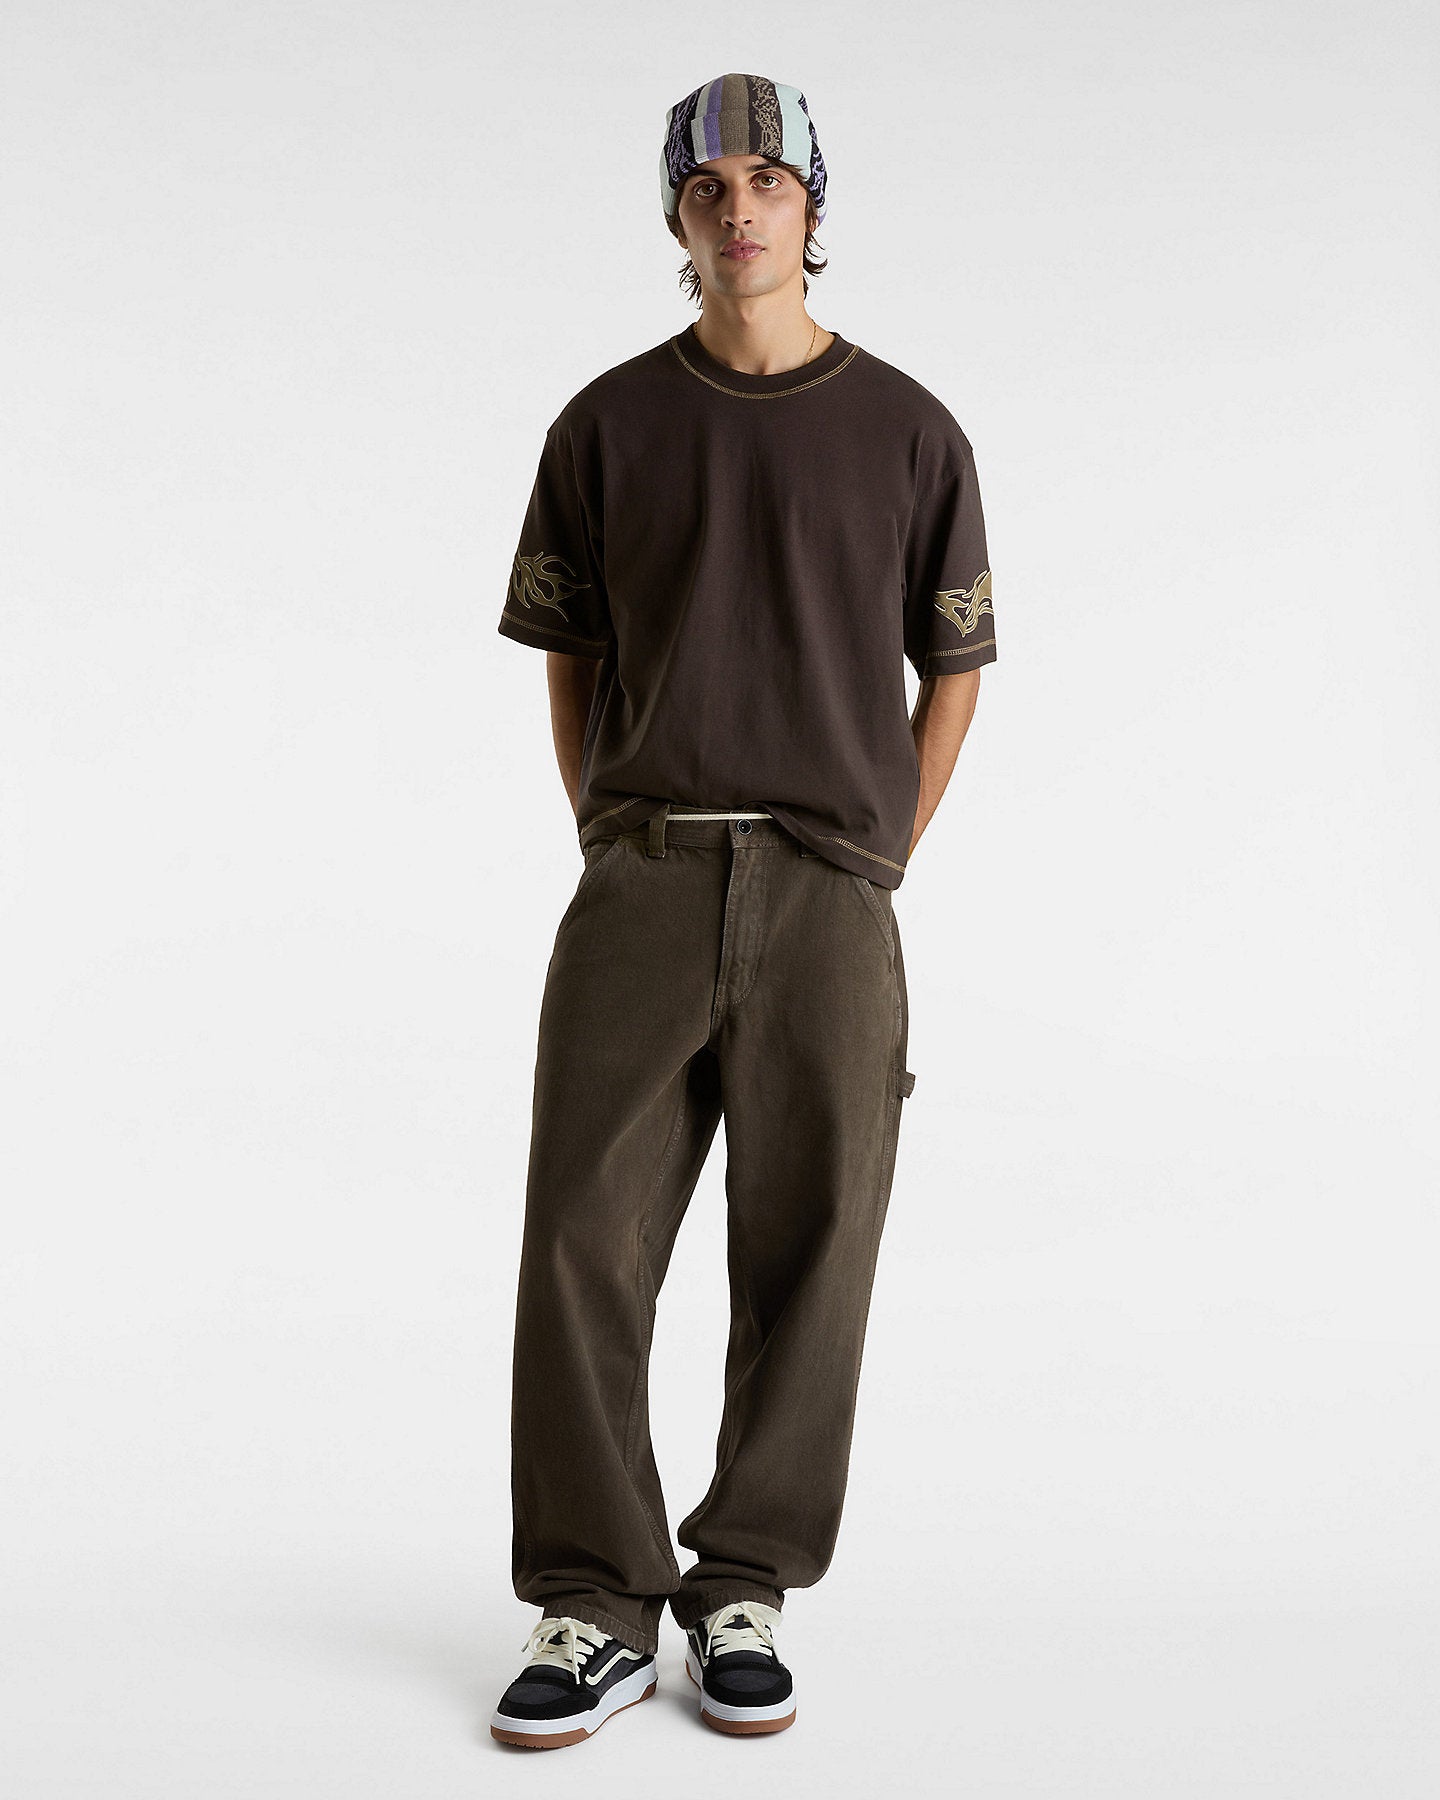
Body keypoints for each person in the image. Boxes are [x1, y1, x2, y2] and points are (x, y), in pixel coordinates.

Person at [489, 71, 997, 1750]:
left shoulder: (912, 431)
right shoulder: (606, 426)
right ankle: (594, 1600)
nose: (741, 209)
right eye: (710, 187)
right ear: (677, 216)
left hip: (832, 894)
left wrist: (879, 851)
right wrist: (608, 831)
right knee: (582, 1238)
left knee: (814, 1244)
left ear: (812, 208)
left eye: (770, 182)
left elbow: (955, 670)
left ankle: (745, 1582)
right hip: (645, 871)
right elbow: (569, 659)